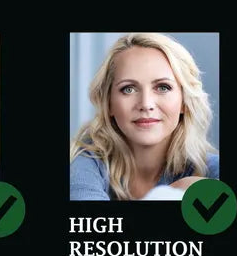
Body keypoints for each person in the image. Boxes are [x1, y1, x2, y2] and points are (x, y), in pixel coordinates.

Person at [69, 33, 219, 200]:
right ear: (109, 103)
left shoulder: (213, 169)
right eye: (128, 89)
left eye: (163, 87)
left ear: (184, 101)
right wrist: (169, 194)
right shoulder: (85, 161)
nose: (146, 104)